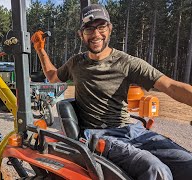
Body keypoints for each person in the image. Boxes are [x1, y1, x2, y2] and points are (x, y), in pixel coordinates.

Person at [31, 4, 192, 180]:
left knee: (187, 162)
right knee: (156, 170)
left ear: (110, 29)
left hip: (132, 130)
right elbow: (53, 77)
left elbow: (170, 86)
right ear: (81, 34)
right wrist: (40, 49)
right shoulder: (76, 63)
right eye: (89, 29)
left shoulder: (128, 63)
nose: (96, 34)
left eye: (101, 27)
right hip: (98, 134)